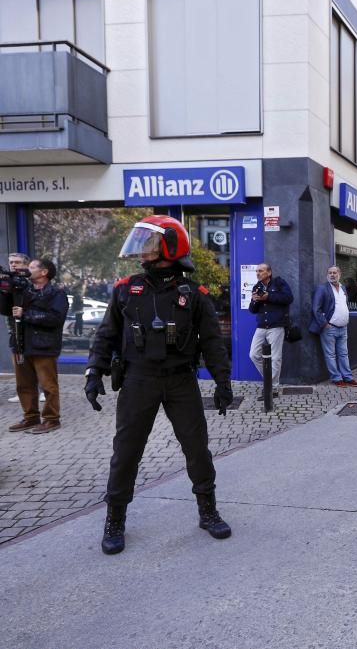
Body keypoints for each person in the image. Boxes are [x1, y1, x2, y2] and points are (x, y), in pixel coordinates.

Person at [84, 215, 234, 555]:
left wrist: (222, 382)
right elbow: (106, 334)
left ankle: (208, 511)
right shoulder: (126, 290)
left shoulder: (194, 294)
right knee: (126, 453)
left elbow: (212, 341)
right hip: (138, 380)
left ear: (169, 246)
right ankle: (115, 519)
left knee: (197, 450)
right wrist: (94, 371)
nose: (142, 250)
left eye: (149, 243)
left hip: (181, 380)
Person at [0, 258, 68, 434]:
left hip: (43, 346)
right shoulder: (23, 290)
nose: (26, 269)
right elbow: (5, 309)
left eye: (31, 267)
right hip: (20, 344)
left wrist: (26, 314)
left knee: (48, 385)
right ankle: (30, 418)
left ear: (44, 272)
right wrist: (5, 291)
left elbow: (55, 318)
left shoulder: (56, 293)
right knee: (24, 385)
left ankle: (51, 419)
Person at [249, 262, 293, 399]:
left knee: (276, 358)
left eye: (261, 271)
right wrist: (255, 300)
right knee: (254, 354)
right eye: (257, 271)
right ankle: (270, 381)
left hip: (276, 326)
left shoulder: (279, 283)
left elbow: (288, 298)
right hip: (262, 326)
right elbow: (252, 310)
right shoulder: (256, 287)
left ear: (269, 273)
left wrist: (269, 297)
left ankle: (272, 388)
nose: (258, 273)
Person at [309, 265, 357, 387]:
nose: (332, 275)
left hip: (343, 328)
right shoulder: (322, 288)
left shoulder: (343, 288)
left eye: (334, 273)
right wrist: (324, 324)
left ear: (339, 274)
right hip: (329, 328)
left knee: (343, 354)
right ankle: (336, 378)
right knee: (330, 355)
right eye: (330, 273)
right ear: (327, 275)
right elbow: (316, 308)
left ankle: (347, 377)